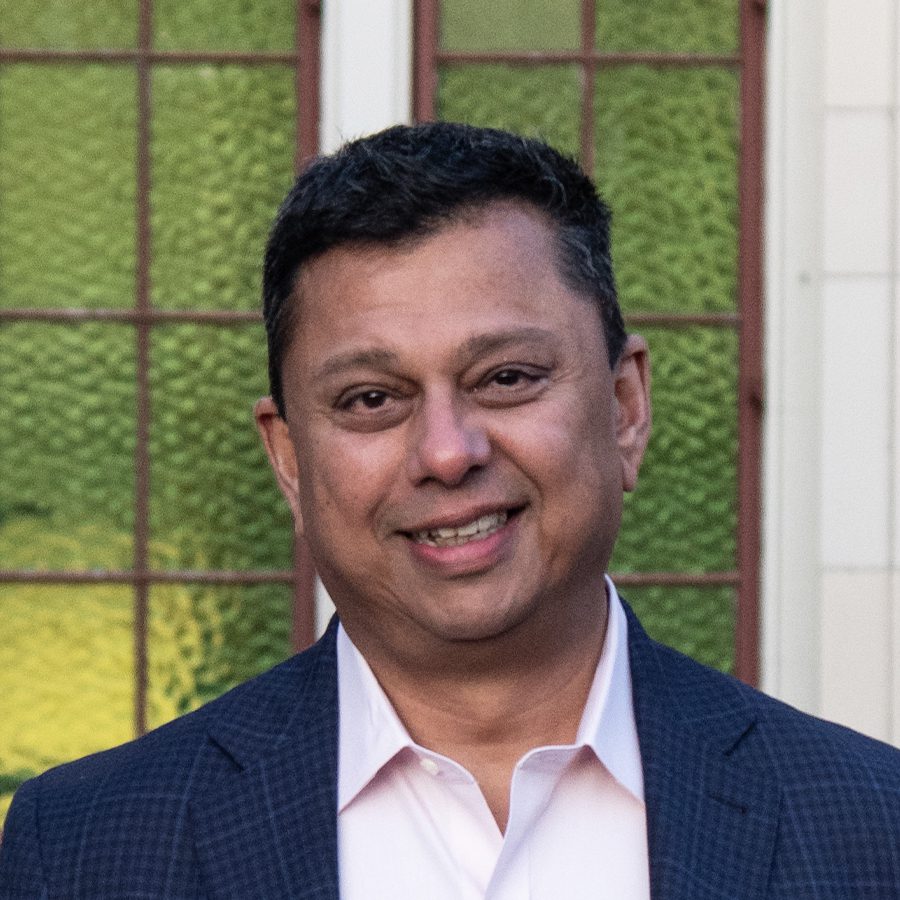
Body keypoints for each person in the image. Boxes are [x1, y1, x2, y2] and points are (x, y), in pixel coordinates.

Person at [2, 122, 899, 899]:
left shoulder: (872, 827)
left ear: (625, 407)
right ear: (289, 459)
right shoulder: (84, 849)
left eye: (506, 378)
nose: (446, 452)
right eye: (370, 399)